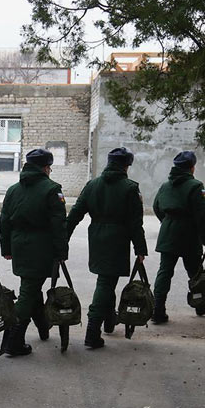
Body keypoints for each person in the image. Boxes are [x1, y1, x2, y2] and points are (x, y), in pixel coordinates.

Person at [66, 147, 148, 349]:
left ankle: (110, 321)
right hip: (118, 239)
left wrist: (62, 239)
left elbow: (75, 215)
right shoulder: (130, 188)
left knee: (107, 280)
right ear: (126, 166)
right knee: (105, 282)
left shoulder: (92, 185)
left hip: (97, 238)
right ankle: (92, 332)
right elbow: (135, 223)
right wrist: (140, 249)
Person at [0, 148, 68, 356]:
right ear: (46, 167)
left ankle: (43, 327)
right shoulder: (51, 189)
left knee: (32, 287)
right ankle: (13, 340)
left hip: (19, 244)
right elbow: (59, 226)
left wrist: (7, 248)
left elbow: (4, 222)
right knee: (28, 292)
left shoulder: (13, 189)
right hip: (41, 247)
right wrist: (61, 253)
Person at [151, 151, 205, 322]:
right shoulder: (195, 186)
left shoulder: (165, 186)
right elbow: (202, 215)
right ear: (192, 168)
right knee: (195, 273)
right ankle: (200, 305)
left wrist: (168, 222)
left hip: (168, 232)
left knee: (164, 272)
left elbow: (156, 207)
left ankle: (158, 311)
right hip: (189, 235)